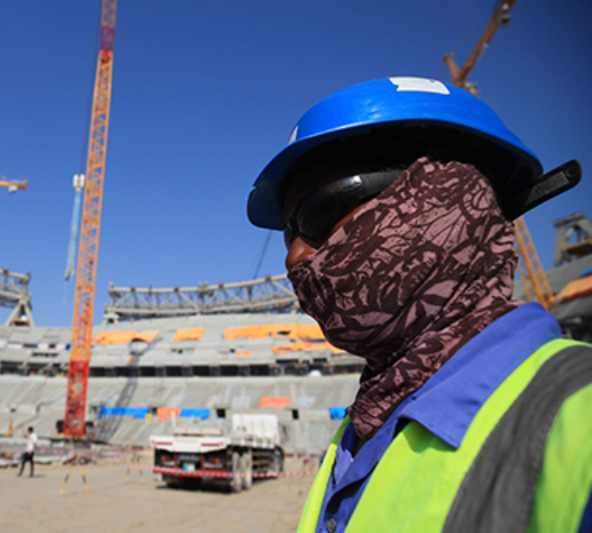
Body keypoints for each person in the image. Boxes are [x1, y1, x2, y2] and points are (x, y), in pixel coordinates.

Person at [247, 77, 591, 533]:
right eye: (290, 232)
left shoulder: (576, 415)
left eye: (320, 211)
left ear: (440, 200)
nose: (295, 257)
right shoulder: (366, 420)